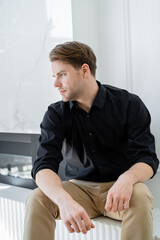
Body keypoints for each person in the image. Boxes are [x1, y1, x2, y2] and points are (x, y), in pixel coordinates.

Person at [23, 41, 159, 240]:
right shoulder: (56, 113)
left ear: (84, 70)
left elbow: (148, 159)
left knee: (140, 195)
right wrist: (64, 200)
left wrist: (127, 179)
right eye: (55, 76)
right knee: (37, 198)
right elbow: (43, 165)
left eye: (62, 74)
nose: (56, 84)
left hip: (119, 190)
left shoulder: (128, 104)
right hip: (79, 189)